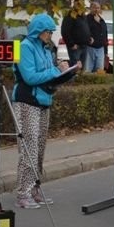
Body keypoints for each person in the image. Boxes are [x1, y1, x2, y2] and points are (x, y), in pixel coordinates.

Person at [12, 13, 81, 209]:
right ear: (38, 31)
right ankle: (22, 193)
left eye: (51, 32)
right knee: (29, 148)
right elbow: (31, 77)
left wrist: (68, 73)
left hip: (43, 101)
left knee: (39, 149)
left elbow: (49, 76)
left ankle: (34, 188)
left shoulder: (45, 49)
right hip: (27, 101)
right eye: (48, 32)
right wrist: (56, 70)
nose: (50, 35)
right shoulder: (24, 47)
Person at [61, 0, 91, 68]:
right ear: (74, 3)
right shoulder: (70, 15)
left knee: (82, 67)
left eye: (81, 3)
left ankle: (80, 79)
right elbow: (65, 31)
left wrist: (89, 38)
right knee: (75, 68)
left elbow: (85, 29)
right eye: (78, 3)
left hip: (84, 46)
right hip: (76, 47)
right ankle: (73, 79)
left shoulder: (83, 15)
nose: (80, 5)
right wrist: (71, 44)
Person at [85, 1, 108, 73]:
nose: (96, 9)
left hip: (101, 48)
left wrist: (106, 51)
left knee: (99, 70)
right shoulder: (87, 19)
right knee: (88, 70)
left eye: (98, 8)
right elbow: (84, 31)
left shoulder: (101, 20)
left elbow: (105, 35)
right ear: (90, 8)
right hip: (90, 48)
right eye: (94, 8)